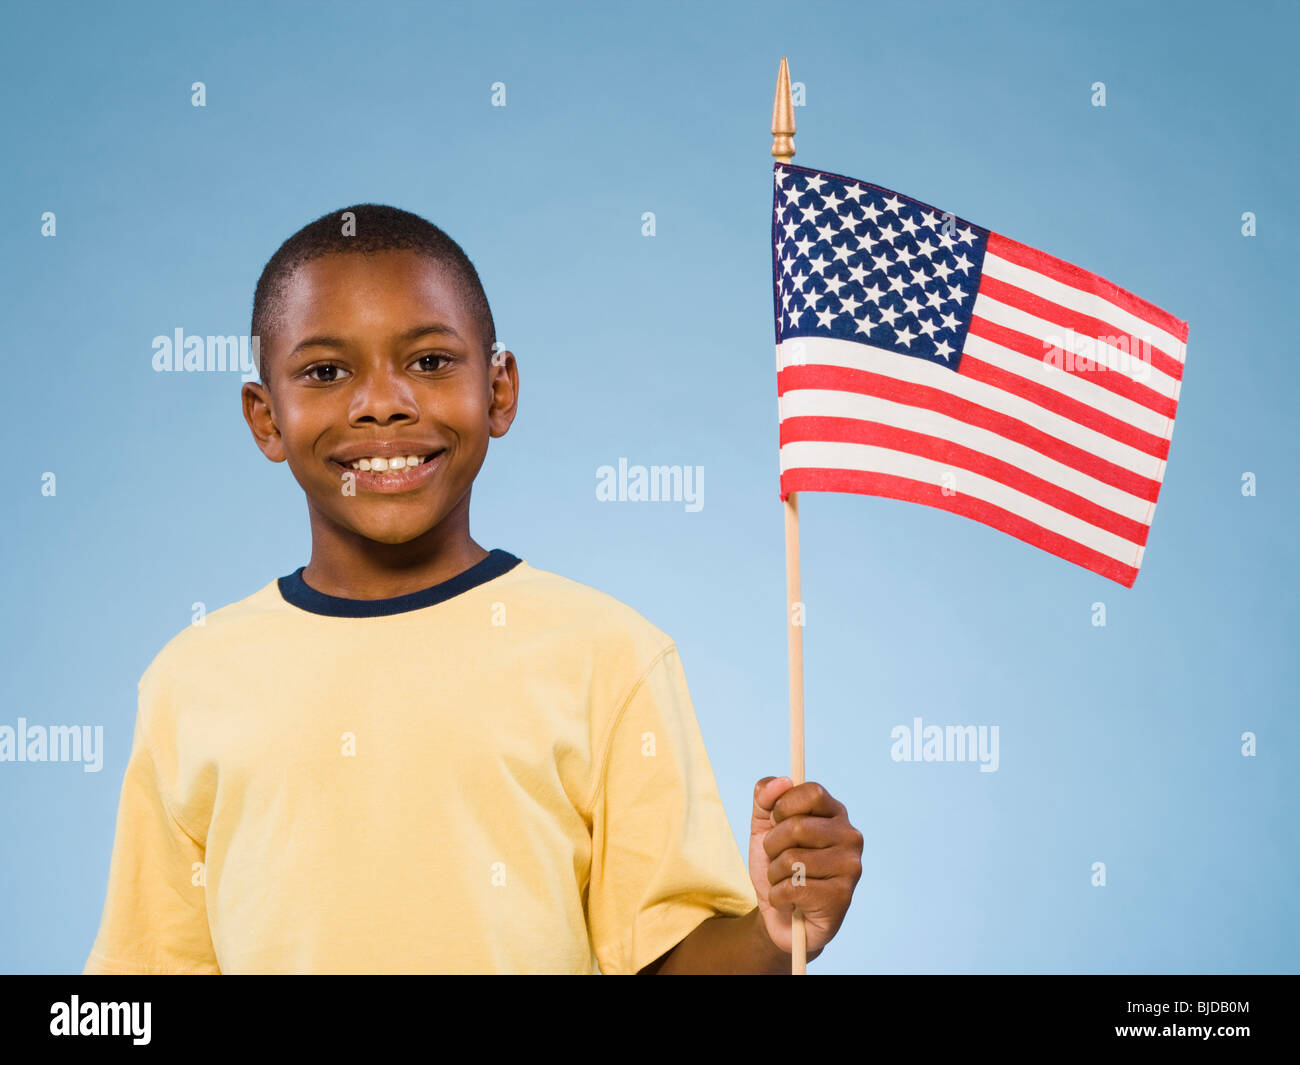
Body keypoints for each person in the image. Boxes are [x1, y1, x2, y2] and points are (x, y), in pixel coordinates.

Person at [83, 204, 862, 974]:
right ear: (266, 418)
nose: (383, 401)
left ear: (499, 392)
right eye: (326, 371)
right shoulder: (189, 682)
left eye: (428, 361)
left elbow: (664, 962)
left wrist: (773, 928)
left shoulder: (609, 656)